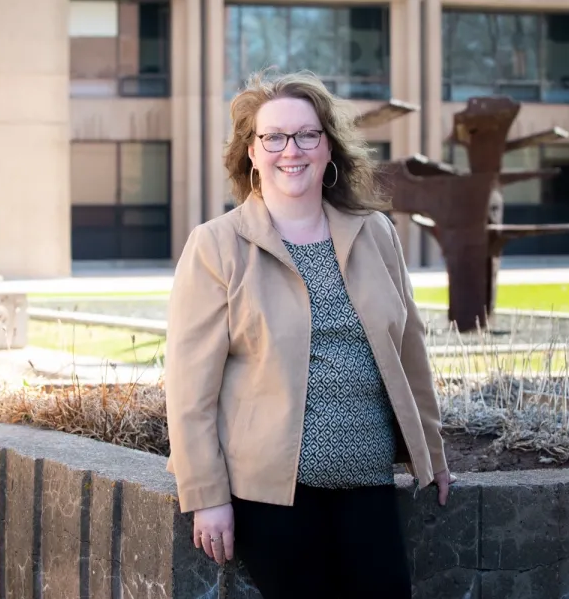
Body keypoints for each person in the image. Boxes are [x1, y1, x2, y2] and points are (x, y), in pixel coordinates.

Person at [164, 69, 454, 598]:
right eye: (272, 137)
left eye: (306, 135)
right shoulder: (216, 246)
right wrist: (205, 495)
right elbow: (189, 390)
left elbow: (409, 350)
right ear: (251, 152)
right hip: (272, 495)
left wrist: (429, 450)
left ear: (327, 148)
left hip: (367, 481)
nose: (289, 149)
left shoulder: (375, 232)